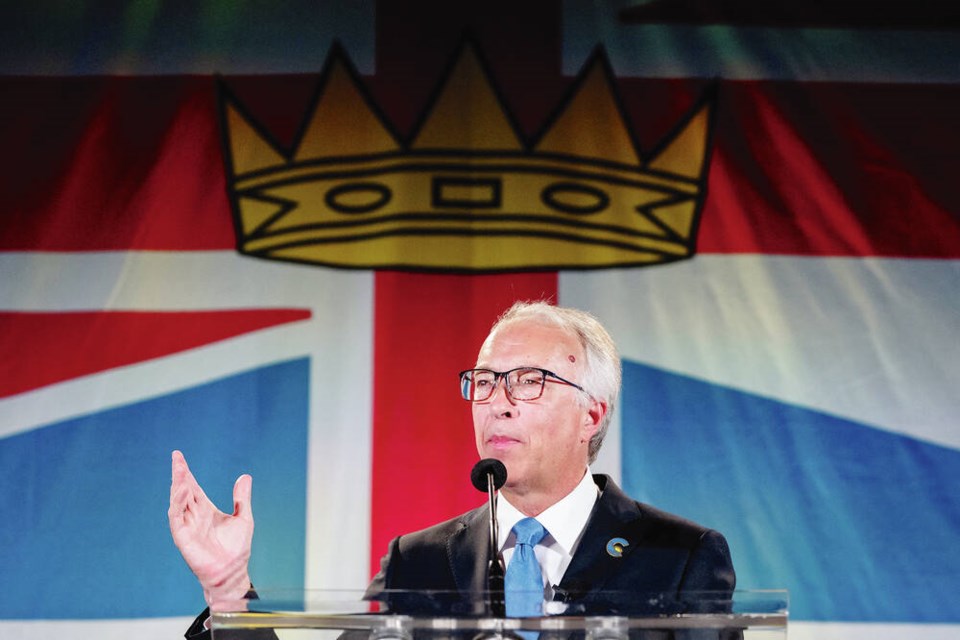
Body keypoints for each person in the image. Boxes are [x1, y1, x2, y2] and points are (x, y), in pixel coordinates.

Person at [170, 301, 736, 637]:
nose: (499, 401)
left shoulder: (680, 557)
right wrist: (227, 591)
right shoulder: (417, 563)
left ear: (591, 413)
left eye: (529, 380)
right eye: (485, 381)